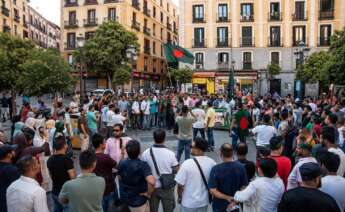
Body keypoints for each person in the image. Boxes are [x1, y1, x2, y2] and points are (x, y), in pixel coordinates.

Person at [141, 129, 179, 212]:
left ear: (153, 138)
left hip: (152, 187)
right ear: (164, 139)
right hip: (166, 187)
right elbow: (176, 169)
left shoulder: (146, 153)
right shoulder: (170, 154)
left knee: (153, 210)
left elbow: (143, 170)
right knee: (168, 209)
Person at [175, 137, 216, 212]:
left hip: (188, 203)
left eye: (192, 147)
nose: (190, 148)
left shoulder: (187, 163)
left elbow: (180, 185)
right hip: (203, 202)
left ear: (199, 150)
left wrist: (180, 197)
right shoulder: (212, 162)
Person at [118, 139, 155, 212]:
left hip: (127, 198)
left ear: (127, 151)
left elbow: (119, 177)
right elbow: (152, 182)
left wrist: (122, 153)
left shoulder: (122, 163)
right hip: (139, 201)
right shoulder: (143, 165)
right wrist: (148, 194)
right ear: (139, 151)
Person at [209, 143, 248, 212]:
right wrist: (235, 201)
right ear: (233, 153)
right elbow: (244, 188)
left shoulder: (215, 169)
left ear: (221, 154)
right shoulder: (241, 167)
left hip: (219, 206)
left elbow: (212, 190)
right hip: (234, 206)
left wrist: (227, 198)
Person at [47, 135, 76, 212]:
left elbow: (51, 175)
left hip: (54, 192)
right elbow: (73, 178)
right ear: (65, 146)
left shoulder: (50, 159)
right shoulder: (67, 160)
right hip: (65, 194)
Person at [92, 133, 117, 212]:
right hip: (108, 188)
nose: (106, 143)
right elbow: (116, 165)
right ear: (101, 144)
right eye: (104, 142)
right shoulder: (105, 157)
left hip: (96, 190)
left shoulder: (91, 157)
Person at [0, 145, 20, 212]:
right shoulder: (12, 170)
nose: (14, 152)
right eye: (12, 151)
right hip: (8, 202)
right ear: (9, 155)